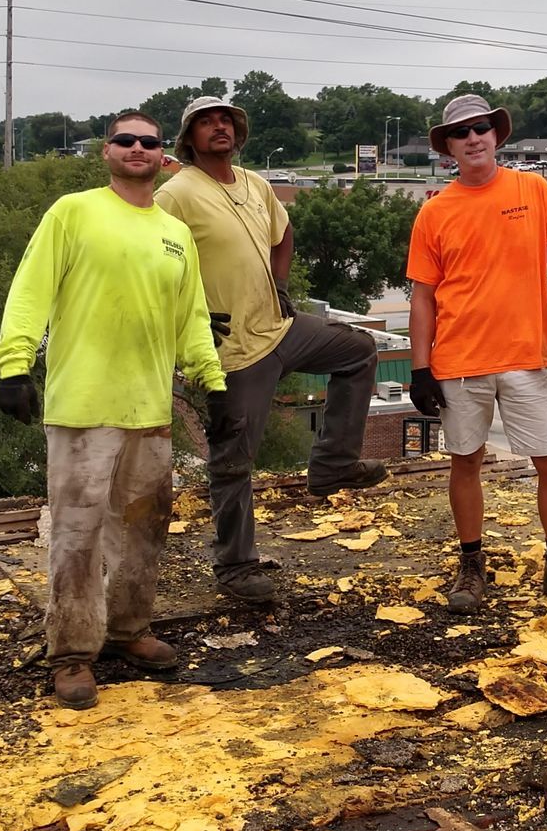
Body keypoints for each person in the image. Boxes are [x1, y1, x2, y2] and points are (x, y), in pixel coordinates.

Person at [0, 111, 231, 709]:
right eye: (125, 140)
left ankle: (129, 631)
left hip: (149, 408)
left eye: (148, 142)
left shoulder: (175, 234)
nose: (137, 148)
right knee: (76, 533)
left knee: (145, 529)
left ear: (162, 156)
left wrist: (213, 382)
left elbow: (192, 318)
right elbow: (30, 290)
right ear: (107, 151)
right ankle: (73, 654)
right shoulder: (73, 212)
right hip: (82, 407)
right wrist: (14, 365)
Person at [154, 95, 386, 605]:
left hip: (280, 327)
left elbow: (285, 235)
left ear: (238, 133)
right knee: (233, 460)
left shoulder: (256, 184)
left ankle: (333, 464)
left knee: (359, 351)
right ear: (188, 138)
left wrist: (280, 283)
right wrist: (185, 320)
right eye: (206, 122)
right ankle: (236, 568)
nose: (219, 127)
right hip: (232, 348)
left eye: (226, 121)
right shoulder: (176, 195)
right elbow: (151, 264)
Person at [405, 93, 547, 611]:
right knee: (465, 460)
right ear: (447, 147)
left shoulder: (533, 190)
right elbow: (423, 298)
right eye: (461, 133)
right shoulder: (435, 212)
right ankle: (472, 566)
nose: (473, 139)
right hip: (459, 362)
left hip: (524, 356)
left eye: (481, 128)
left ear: (496, 135)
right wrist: (420, 367)